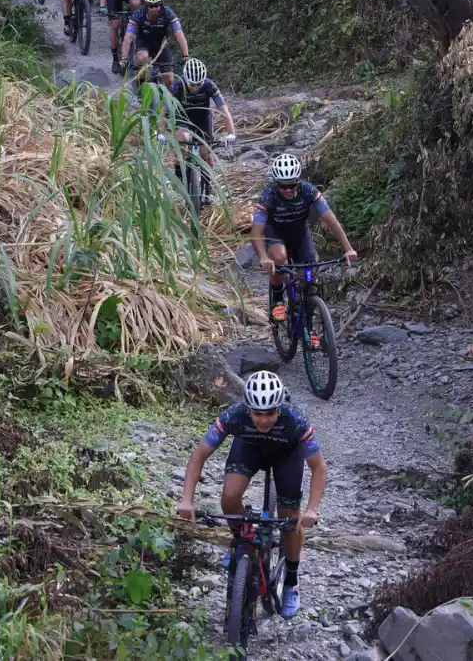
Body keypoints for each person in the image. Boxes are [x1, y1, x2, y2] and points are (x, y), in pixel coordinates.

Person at [176, 370, 326, 620]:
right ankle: (240, 540)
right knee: (229, 496)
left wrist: (312, 508)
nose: (264, 420)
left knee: (290, 518)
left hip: (286, 455)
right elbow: (199, 456)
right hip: (249, 448)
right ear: (248, 409)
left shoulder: (295, 419)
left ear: (280, 408)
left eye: (270, 413)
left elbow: (318, 466)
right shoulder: (234, 415)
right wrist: (186, 500)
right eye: (257, 413)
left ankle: (291, 581)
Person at [250, 153, 358, 323]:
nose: (287, 190)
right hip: (275, 232)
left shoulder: (308, 191)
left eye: (291, 186)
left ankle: (308, 326)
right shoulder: (268, 195)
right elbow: (256, 232)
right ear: (276, 183)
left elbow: (331, 221)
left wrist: (348, 248)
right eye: (282, 186)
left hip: (300, 232)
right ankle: (277, 298)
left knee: (309, 278)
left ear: (297, 182)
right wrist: (264, 257)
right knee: (279, 258)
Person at [167, 58, 236, 204]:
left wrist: (231, 134)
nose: (196, 88)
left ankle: (208, 188)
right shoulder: (177, 86)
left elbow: (224, 111)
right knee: (180, 138)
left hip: (202, 118)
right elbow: (163, 111)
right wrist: (161, 132)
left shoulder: (210, 85)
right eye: (192, 85)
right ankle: (179, 172)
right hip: (183, 118)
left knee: (206, 153)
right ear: (186, 79)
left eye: (199, 84)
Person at [120, 0, 188, 88]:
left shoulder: (168, 13)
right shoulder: (138, 15)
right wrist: (124, 58)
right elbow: (128, 37)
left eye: (157, 5)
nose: (154, 9)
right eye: (151, 6)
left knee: (169, 78)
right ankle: (140, 84)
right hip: (143, 44)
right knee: (143, 57)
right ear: (146, 5)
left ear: (162, 3)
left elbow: (179, 34)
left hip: (161, 46)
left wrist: (185, 55)